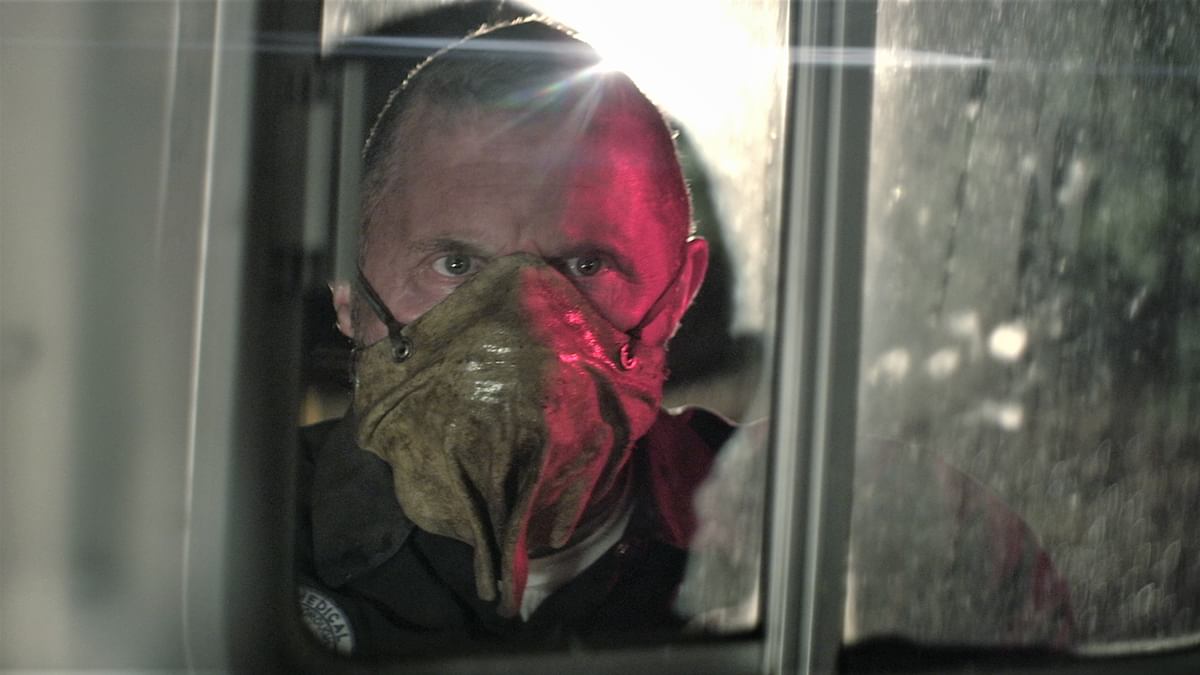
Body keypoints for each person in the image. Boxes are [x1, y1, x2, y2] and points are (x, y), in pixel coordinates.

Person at [294, 18, 732, 657]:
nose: (520, 321)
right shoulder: (232, 525)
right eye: (455, 264)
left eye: (586, 264)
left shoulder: (793, 513)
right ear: (347, 289)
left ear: (680, 292)